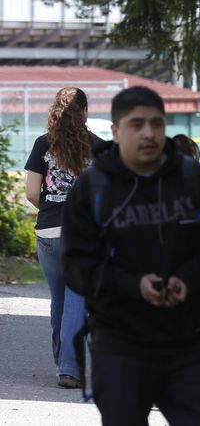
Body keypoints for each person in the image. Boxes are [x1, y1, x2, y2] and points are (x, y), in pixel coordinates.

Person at [62, 86, 200, 425]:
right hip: (120, 343)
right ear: (115, 131)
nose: (148, 133)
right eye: (136, 124)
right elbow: (76, 265)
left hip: (186, 341)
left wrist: (190, 279)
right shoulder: (93, 188)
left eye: (157, 124)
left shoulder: (189, 178)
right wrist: (132, 285)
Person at [24, 87, 102, 389]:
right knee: (76, 298)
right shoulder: (100, 147)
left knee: (60, 298)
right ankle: (69, 367)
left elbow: (32, 192)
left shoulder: (43, 144)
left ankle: (63, 362)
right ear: (84, 112)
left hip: (48, 233)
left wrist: (51, 210)